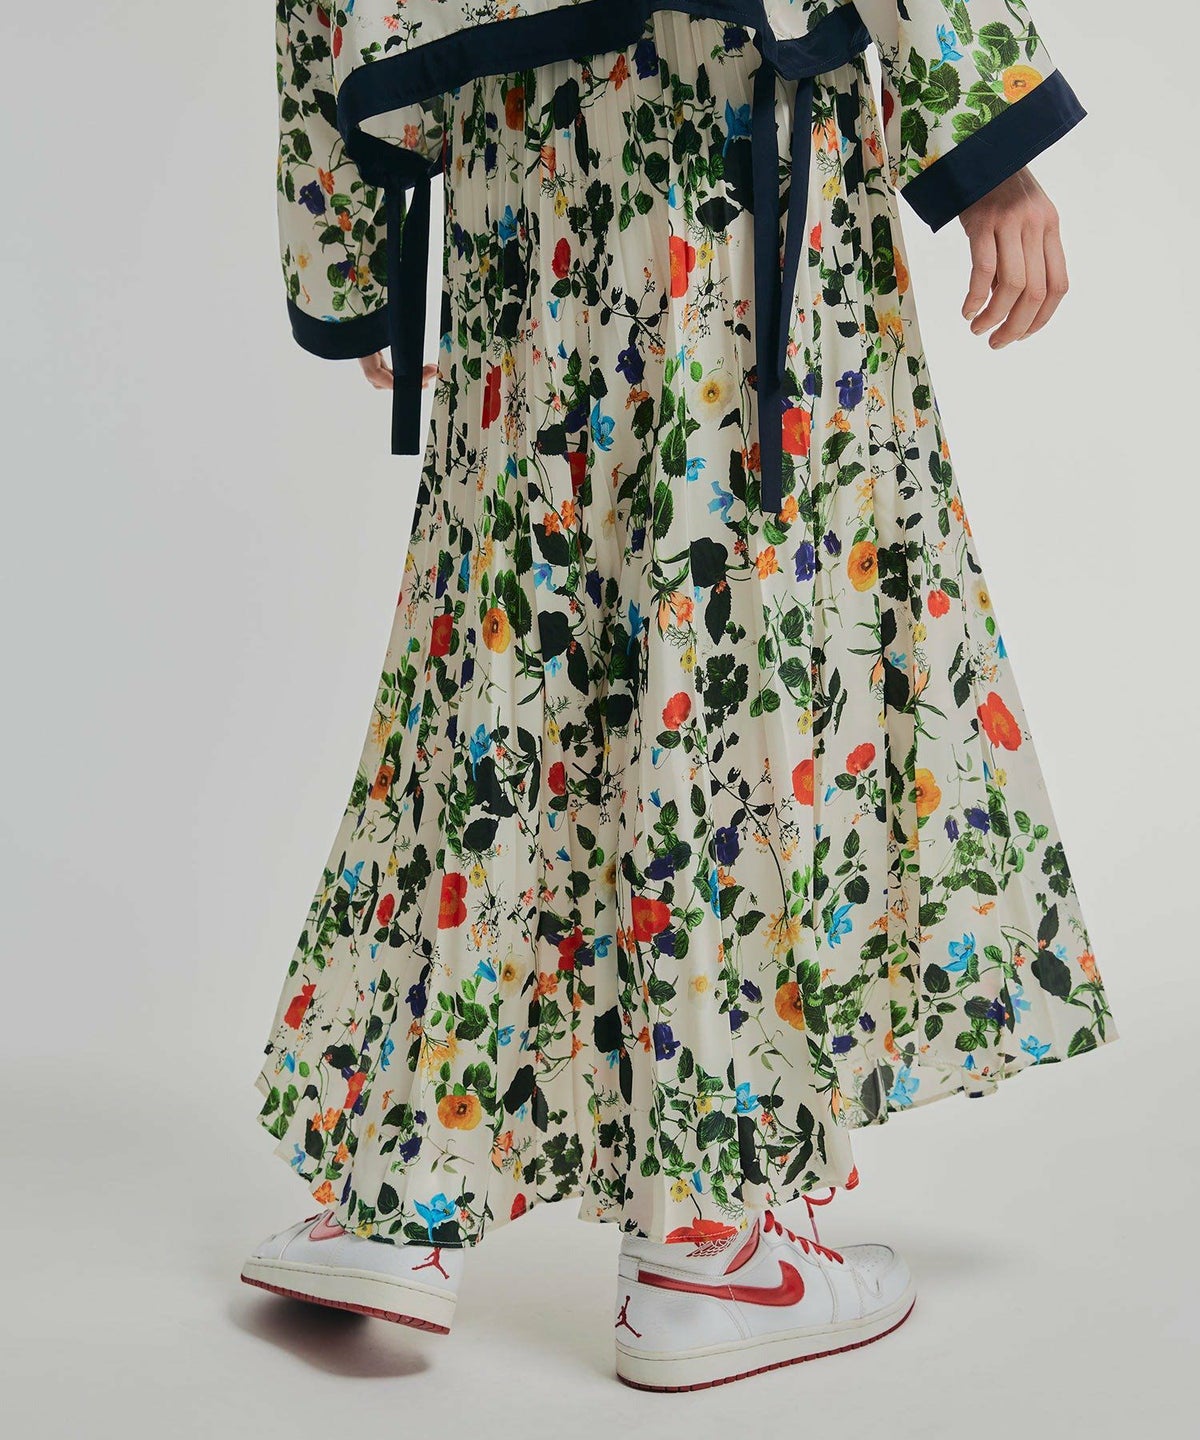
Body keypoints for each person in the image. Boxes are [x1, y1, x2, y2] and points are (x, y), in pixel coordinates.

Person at [242, 1, 1118, 1390]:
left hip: (517, 143)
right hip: (723, 121)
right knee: (735, 637)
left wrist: (345, 235)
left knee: (507, 629)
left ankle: (401, 1191)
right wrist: (987, 139)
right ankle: (707, 1251)